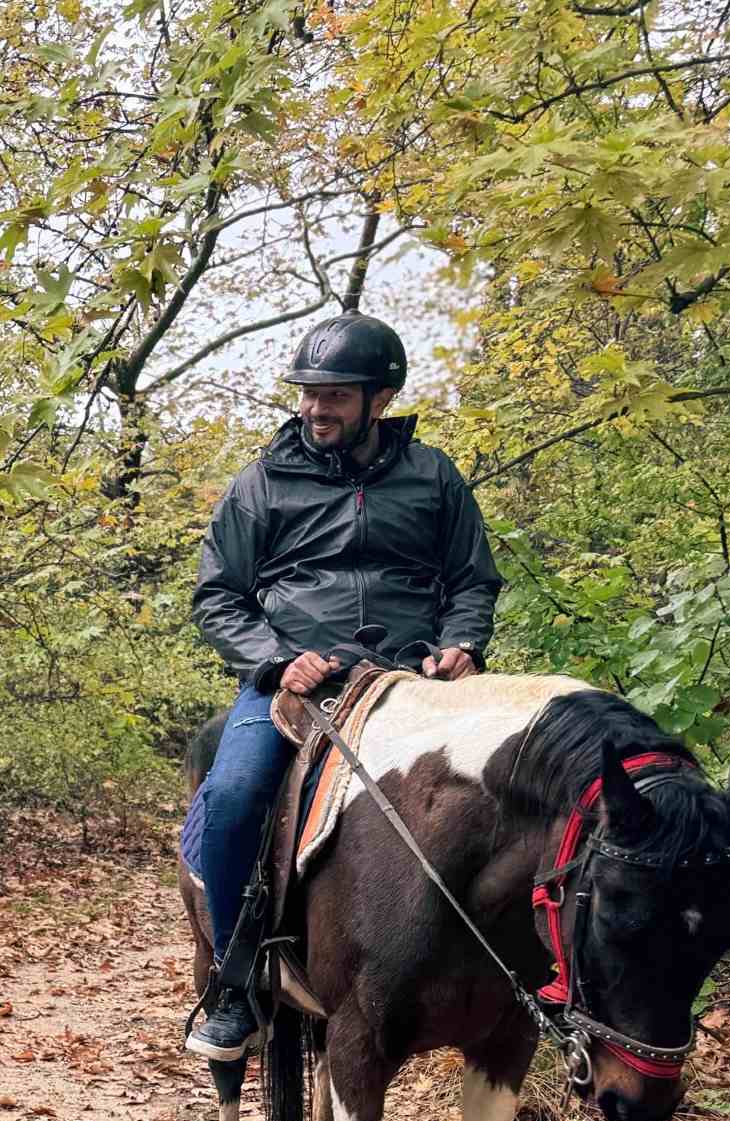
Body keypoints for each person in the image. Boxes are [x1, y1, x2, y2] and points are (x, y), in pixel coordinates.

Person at [186, 312, 503, 1060]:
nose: (314, 409)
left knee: (506, 794)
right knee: (231, 798)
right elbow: (217, 597)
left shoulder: (433, 477)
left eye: (333, 396)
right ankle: (236, 983)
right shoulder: (260, 485)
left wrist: (463, 642)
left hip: (412, 679)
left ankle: (503, 974)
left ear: (379, 399)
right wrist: (273, 661)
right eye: (306, 394)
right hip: (298, 682)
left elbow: (472, 581)